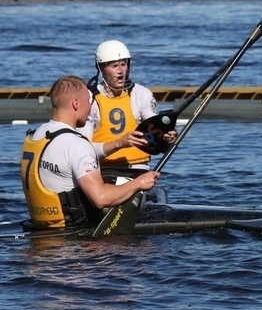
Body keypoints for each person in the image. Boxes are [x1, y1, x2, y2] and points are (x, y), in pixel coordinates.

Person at [20, 76, 160, 229]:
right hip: (74, 237)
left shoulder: (38, 134)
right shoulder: (77, 145)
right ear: (75, 103)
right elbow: (100, 198)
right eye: (89, 101)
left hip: (40, 225)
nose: (91, 107)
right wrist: (139, 183)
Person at [85, 40, 176, 183]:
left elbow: (154, 133)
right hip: (101, 171)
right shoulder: (89, 98)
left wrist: (165, 137)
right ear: (101, 69)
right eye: (114, 66)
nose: (120, 71)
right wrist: (119, 143)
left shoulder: (141, 94)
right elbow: (83, 149)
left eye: (123, 64)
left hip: (138, 169)